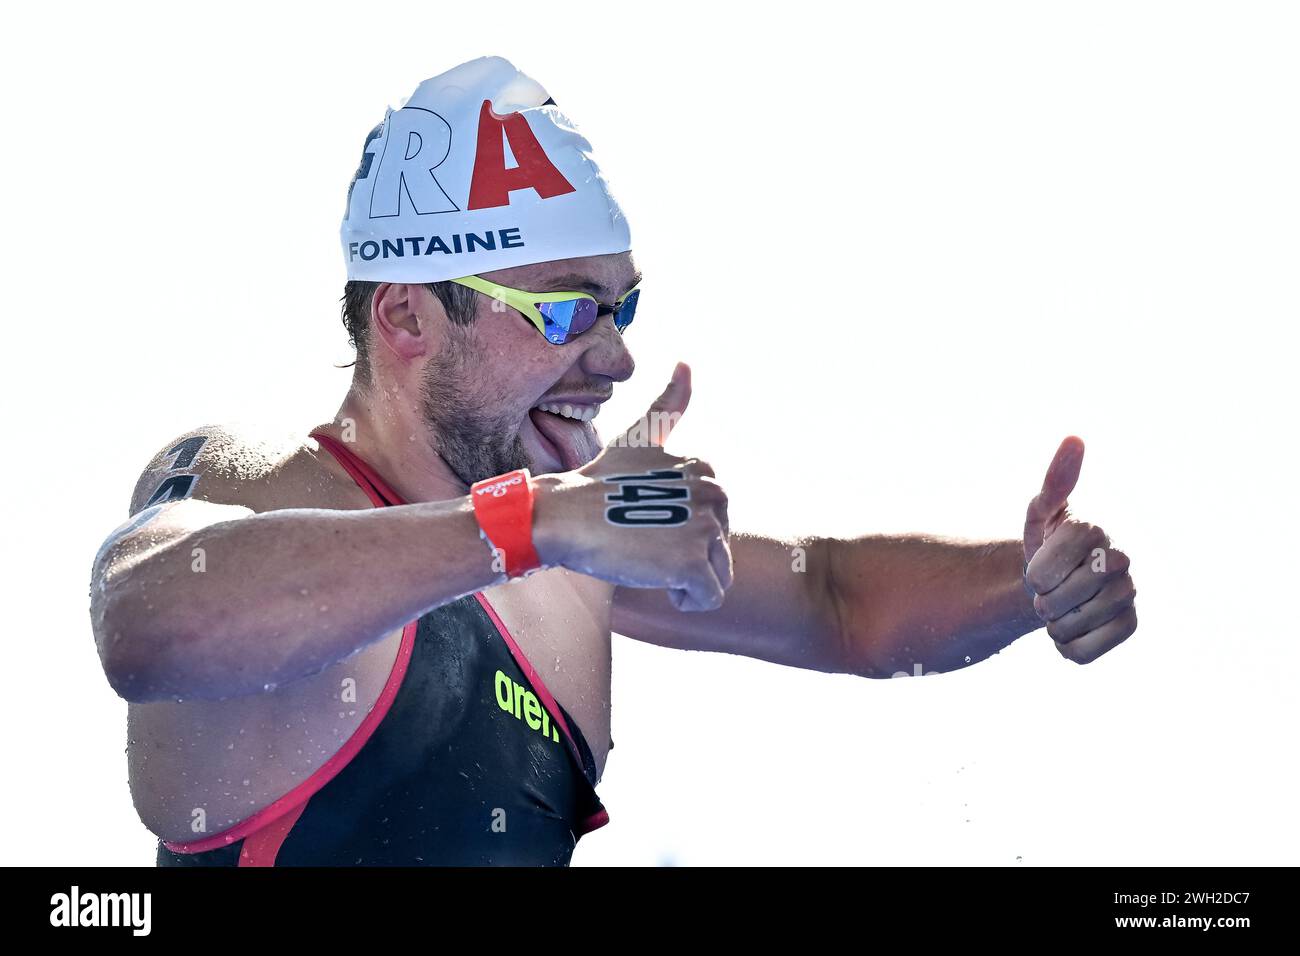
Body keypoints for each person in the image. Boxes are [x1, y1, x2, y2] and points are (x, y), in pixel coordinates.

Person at [89, 57, 1138, 867]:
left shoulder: (568, 560)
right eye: (563, 308)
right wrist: (526, 521)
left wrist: (1030, 582)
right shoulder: (268, 486)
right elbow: (145, 621)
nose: (615, 352)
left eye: (619, 303)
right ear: (407, 315)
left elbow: (832, 598)